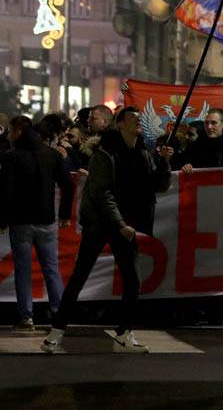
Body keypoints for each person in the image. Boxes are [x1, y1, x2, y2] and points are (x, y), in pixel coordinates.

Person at [43, 106, 173, 354]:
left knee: (132, 280)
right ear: (120, 124)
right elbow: (102, 194)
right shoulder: (105, 153)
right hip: (101, 223)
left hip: (126, 224)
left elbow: (157, 185)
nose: (139, 121)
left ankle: (123, 335)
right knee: (80, 276)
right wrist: (120, 224)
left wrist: (165, 162)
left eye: (139, 118)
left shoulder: (143, 152)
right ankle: (57, 331)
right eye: (133, 118)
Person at [0, 116, 75, 330]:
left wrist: (1, 219)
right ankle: (59, 313)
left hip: (20, 221)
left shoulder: (11, 156)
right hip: (46, 220)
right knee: (51, 268)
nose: (9, 135)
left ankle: (26, 316)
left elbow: (5, 191)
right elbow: (68, 185)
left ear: (18, 131)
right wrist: (65, 214)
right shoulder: (51, 155)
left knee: (23, 270)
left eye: (10, 131)